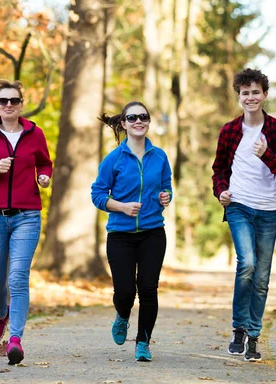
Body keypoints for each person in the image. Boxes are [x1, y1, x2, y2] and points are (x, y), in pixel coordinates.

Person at [211, 68, 276, 362]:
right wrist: (221, 191)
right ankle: (238, 328)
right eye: (245, 93)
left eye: (255, 92)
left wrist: (267, 155)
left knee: (261, 277)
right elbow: (219, 169)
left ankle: (254, 337)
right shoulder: (230, 131)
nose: (251, 97)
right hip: (239, 205)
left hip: (270, 211)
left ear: (264, 95)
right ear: (239, 97)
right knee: (246, 263)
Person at [0, 80, 53, 365]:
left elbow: (45, 162)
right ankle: (0, 314)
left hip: (27, 216)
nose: (9, 105)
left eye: (14, 100)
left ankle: (15, 339)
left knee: (18, 278)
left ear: (21, 104)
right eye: (3, 101)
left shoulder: (34, 133)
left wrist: (44, 177)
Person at [91, 101, 173, 362]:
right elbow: (98, 194)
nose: (139, 121)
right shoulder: (113, 159)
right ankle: (122, 315)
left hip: (153, 232)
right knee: (125, 291)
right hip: (120, 235)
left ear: (148, 122)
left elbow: (167, 186)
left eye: (144, 117)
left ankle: (143, 343)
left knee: (148, 288)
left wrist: (165, 196)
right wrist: (123, 207)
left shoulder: (159, 156)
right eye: (133, 117)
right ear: (124, 124)